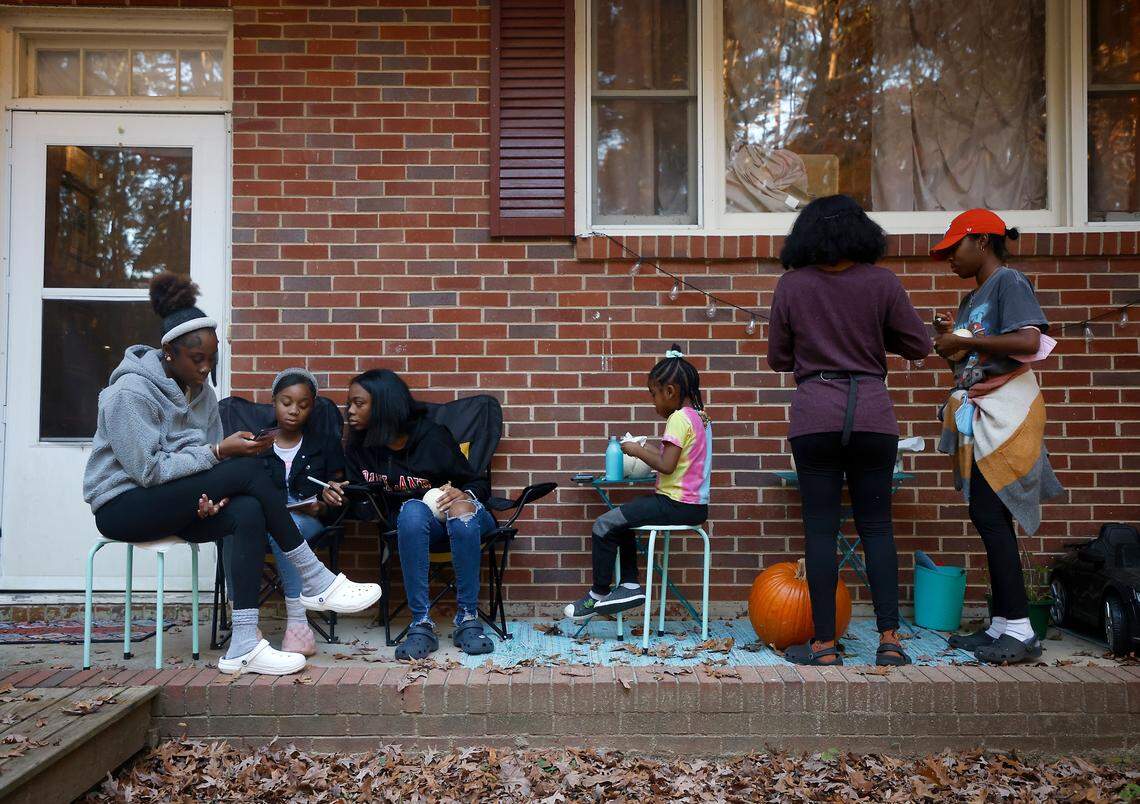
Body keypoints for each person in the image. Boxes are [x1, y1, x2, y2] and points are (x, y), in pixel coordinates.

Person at [83, 273, 381, 676]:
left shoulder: (201, 393)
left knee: (246, 510)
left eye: (212, 358)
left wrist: (212, 498)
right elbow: (149, 471)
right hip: (124, 504)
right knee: (246, 469)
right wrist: (220, 453)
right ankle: (315, 579)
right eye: (197, 359)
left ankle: (243, 643)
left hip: (175, 502)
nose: (206, 368)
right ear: (169, 353)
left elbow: (203, 466)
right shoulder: (129, 394)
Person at [766, 194, 931, 667]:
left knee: (820, 531)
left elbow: (778, 358)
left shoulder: (792, 286)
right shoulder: (882, 282)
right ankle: (890, 640)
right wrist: (873, 335)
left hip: (815, 413)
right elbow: (917, 343)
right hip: (872, 415)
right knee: (877, 528)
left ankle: (823, 646)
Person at [931, 208, 1064, 665]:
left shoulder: (1009, 281)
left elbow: (1029, 343)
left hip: (1009, 411)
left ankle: (1023, 631)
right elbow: (971, 366)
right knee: (988, 516)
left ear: (982, 242)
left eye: (955, 247)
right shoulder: (971, 301)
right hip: (983, 409)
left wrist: (966, 342)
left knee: (991, 514)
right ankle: (1003, 625)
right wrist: (950, 342)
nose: (949, 258)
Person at [321, 369, 497, 659]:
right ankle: (421, 623)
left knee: (461, 510)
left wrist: (463, 494)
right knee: (413, 511)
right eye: (348, 403)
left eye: (359, 403)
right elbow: (361, 507)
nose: (349, 411)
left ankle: (467, 618)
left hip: (464, 522)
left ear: (384, 405)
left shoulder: (432, 438)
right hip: (411, 528)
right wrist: (338, 493)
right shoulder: (358, 447)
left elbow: (478, 483)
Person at [563, 346, 712, 622]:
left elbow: (666, 465)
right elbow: (674, 460)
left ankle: (597, 594)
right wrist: (642, 448)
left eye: (654, 394)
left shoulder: (678, 419)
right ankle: (629, 585)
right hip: (694, 507)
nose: (654, 402)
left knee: (604, 524)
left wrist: (636, 450)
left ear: (670, 391)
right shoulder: (699, 418)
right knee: (622, 518)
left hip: (676, 504)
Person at [245, 368, 346, 657]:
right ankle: (245, 622)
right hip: (262, 522)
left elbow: (340, 493)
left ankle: (298, 624)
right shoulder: (256, 444)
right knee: (238, 527)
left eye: (303, 405)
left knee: (285, 524)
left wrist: (326, 500)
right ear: (274, 401)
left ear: (312, 408)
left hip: (308, 521)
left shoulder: (324, 444)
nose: (293, 411)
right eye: (286, 402)